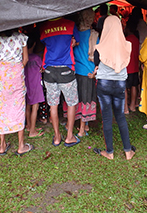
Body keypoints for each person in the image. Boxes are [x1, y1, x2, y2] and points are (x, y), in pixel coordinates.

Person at [92, 16, 136, 160]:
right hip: (119, 85)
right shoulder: (127, 45)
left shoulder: (100, 48)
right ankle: (128, 151)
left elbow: (97, 64)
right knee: (120, 116)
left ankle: (109, 152)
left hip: (104, 84)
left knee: (107, 118)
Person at [40, 17, 81, 147]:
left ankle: (57, 137)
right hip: (66, 69)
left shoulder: (44, 26)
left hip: (49, 70)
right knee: (71, 103)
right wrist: (72, 43)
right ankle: (69, 136)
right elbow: (77, 42)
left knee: (53, 105)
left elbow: (45, 43)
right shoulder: (70, 24)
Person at [0, 29, 33, 156]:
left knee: (2, 107)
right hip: (17, 72)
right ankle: (21, 145)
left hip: (3, 73)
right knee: (19, 106)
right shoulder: (21, 38)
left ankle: (2, 145)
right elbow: (25, 59)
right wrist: (16, 67)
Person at [70, 9, 98, 137]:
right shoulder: (94, 35)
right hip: (89, 72)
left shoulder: (74, 33)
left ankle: (81, 124)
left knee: (78, 99)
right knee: (87, 100)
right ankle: (82, 129)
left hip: (76, 70)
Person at [24, 36, 45, 138]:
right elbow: (43, 68)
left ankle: (28, 125)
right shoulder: (36, 58)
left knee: (27, 105)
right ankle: (32, 131)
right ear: (34, 45)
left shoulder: (23, 58)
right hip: (35, 85)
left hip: (26, 84)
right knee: (35, 107)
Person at [124, 23, 139, 113]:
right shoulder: (137, 39)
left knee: (125, 88)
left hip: (127, 67)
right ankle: (133, 105)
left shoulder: (126, 40)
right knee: (134, 86)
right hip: (135, 67)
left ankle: (125, 108)